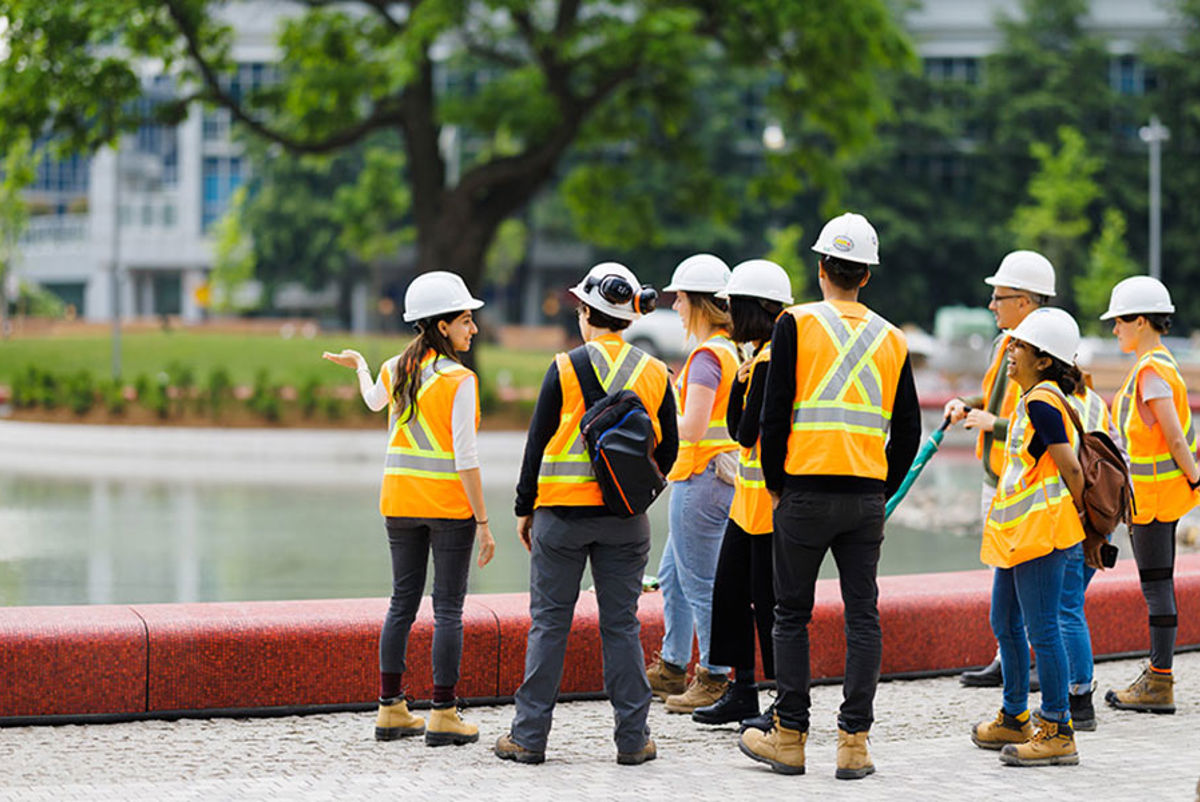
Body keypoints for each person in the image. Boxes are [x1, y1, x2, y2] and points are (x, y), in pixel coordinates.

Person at [739, 213, 921, 779]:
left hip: (803, 491)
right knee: (862, 616)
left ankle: (789, 737)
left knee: (790, 614)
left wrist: (774, 485)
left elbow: (773, 413)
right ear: (866, 275)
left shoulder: (795, 323)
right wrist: (878, 489)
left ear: (821, 268)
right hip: (864, 496)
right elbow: (909, 432)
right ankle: (853, 744)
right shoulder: (893, 338)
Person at [496, 262, 678, 766]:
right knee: (620, 626)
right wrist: (634, 493)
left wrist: (523, 508)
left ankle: (528, 738)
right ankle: (632, 739)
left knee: (549, 624)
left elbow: (536, 446)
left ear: (586, 312)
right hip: (625, 520)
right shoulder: (655, 372)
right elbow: (671, 455)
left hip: (561, 515)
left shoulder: (565, 366)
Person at [322, 270, 495, 747]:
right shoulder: (460, 379)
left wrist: (360, 365)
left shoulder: (396, 366)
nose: (473, 329)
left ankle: (391, 708)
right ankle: (442, 713)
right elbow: (467, 458)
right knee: (449, 609)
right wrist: (484, 521)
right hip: (446, 504)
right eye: (465, 320)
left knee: (402, 602)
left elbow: (374, 402)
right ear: (442, 326)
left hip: (398, 501)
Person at [970, 307, 1088, 767]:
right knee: (1005, 622)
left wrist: (1081, 515)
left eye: (1018, 346)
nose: (1009, 351)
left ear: (1043, 359)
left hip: (1042, 534)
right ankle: (1015, 714)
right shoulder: (1034, 398)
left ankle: (1057, 727)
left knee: (1042, 629)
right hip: (1019, 534)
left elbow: (1072, 467)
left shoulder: (1042, 401)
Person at [946, 250, 1055, 689]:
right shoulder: (1005, 343)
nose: (991, 305)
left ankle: (1023, 665)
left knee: (1022, 575)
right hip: (997, 475)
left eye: (1000, 297)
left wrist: (995, 424)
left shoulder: (1044, 350)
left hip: (1024, 482)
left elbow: (1052, 420)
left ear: (1026, 301)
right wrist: (968, 405)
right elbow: (994, 397)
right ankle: (1005, 658)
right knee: (1001, 573)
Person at [692, 259, 793, 730]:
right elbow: (741, 431)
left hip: (768, 508)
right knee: (732, 595)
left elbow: (747, 429)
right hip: (747, 504)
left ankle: (779, 699)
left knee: (768, 605)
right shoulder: (759, 357)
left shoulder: (771, 361)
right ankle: (743, 689)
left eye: (735, 307)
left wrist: (743, 378)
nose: (729, 317)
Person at [645, 254, 740, 714]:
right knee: (673, 576)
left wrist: (655, 410)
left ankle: (715, 676)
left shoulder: (706, 356)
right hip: (720, 477)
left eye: (680, 298)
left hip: (699, 474)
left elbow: (693, 427)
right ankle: (672, 665)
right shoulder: (732, 347)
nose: (675, 307)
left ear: (698, 303)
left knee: (701, 583)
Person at [1100, 276, 1198, 715]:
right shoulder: (1162, 364)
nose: (1115, 329)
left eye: (1119, 321)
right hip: (1155, 496)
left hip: (1155, 499)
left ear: (1141, 321)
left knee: (1156, 588)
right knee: (1158, 587)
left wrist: (1195, 479)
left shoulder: (1151, 371)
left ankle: (1160, 682)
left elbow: (1175, 439)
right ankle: (1159, 678)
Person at [1058, 375, 1121, 732]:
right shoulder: (1095, 399)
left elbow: (1068, 465)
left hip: (1078, 513)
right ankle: (1074, 692)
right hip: (1102, 511)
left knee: (1066, 606)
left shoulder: (1055, 403)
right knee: (1070, 604)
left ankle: (1079, 701)